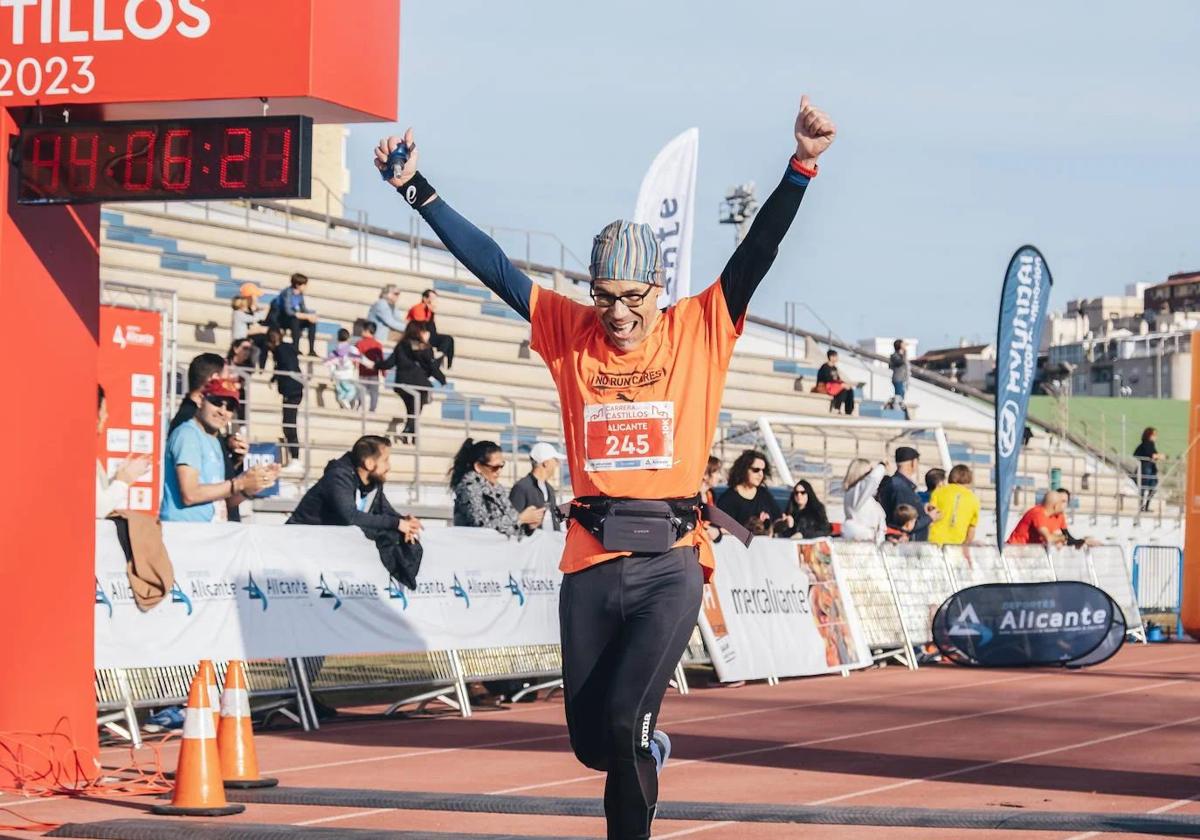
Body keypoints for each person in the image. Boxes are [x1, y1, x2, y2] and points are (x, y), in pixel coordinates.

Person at [376, 91, 835, 839]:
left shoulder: (701, 326)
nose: (617, 313)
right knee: (593, 744)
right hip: (589, 562)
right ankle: (642, 748)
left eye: (632, 298)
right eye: (604, 296)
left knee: (622, 727)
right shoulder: (569, 329)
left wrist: (801, 167)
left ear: (660, 289)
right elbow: (493, 263)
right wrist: (416, 192)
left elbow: (757, 252)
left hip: (670, 564)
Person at [160, 379, 276, 521]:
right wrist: (240, 483)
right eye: (216, 402)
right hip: (185, 530)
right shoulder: (188, 434)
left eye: (229, 407)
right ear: (201, 400)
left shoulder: (213, 439)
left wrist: (251, 487)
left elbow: (224, 501)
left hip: (207, 530)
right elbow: (190, 495)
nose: (223, 411)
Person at [287, 434, 422, 537]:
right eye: (385, 460)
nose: (389, 466)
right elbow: (350, 516)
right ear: (369, 463)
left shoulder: (373, 483)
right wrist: (396, 524)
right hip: (298, 541)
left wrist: (405, 521)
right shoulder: (338, 477)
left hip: (325, 546)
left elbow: (385, 511)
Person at [450, 439, 544, 536]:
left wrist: (528, 526)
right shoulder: (468, 488)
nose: (499, 471)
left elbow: (511, 529)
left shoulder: (498, 489)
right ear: (478, 466)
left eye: (501, 466)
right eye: (494, 467)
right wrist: (520, 519)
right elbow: (482, 527)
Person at [377, 320, 446, 444]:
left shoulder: (401, 345)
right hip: (418, 384)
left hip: (402, 384)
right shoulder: (423, 347)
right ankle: (408, 432)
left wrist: (376, 364)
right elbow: (431, 366)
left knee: (412, 411)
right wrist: (442, 379)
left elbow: (389, 363)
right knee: (415, 411)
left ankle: (411, 435)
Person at [96, 385, 152, 518]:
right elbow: (98, 509)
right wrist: (123, 480)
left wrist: (118, 478)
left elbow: (99, 498)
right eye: (103, 410)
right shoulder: (81, 456)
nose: (106, 416)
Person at [879, 446, 940, 542]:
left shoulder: (896, 484)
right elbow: (904, 521)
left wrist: (922, 508)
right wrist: (929, 518)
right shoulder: (901, 487)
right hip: (908, 545)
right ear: (913, 463)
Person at [716, 450, 783, 532]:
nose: (760, 474)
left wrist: (785, 523)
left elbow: (778, 520)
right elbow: (722, 530)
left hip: (765, 543)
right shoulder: (728, 499)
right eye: (756, 470)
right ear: (744, 469)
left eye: (763, 470)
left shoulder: (764, 494)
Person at [267, 327, 305, 463]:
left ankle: (296, 459)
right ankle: (293, 457)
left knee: (289, 424)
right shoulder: (287, 348)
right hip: (293, 389)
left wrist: (280, 378)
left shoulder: (281, 350)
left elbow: (287, 367)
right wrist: (274, 378)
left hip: (292, 390)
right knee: (287, 424)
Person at [510, 442, 566, 535]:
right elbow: (511, 524)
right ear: (545, 463)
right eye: (555, 460)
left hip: (551, 545)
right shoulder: (521, 487)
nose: (557, 464)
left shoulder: (550, 489)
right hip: (530, 547)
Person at [927, 464, 981, 546]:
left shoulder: (938, 492)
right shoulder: (974, 499)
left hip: (934, 541)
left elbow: (930, 516)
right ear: (969, 480)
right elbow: (971, 529)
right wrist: (965, 545)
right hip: (957, 544)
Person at [271, 272, 319, 356]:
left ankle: (311, 350)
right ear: (297, 285)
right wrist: (306, 316)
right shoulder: (287, 293)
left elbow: (303, 309)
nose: (306, 287)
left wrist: (311, 315)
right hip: (282, 318)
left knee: (311, 322)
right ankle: (295, 348)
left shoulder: (299, 295)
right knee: (295, 320)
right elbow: (288, 312)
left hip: (292, 317)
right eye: (304, 285)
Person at [841, 458, 887, 543]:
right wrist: (882, 465)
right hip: (863, 544)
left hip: (873, 543)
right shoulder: (855, 493)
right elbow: (873, 479)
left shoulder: (863, 497)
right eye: (870, 471)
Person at [407, 288, 456, 369]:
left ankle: (445, 362)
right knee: (445, 340)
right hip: (419, 335)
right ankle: (436, 361)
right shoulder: (417, 308)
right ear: (425, 298)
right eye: (432, 298)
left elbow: (432, 328)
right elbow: (421, 325)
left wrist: (432, 312)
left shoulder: (429, 310)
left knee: (449, 339)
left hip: (430, 335)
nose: (434, 301)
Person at [325, 328, 366, 410]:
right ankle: (345, 400)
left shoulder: (334, 351)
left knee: (341, 391)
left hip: (338, 375)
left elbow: (331, 365)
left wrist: (332, 374)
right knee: (352, 391)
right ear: (348, 338)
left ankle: (344, 404)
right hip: (348, 375)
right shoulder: (352, 349)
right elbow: (358, 360)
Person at [355, 321, 387, 413]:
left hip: (362, 373)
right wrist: (383, 373)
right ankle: (372, 409)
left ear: (366, 331)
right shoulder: (378, 345)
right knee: (374, 393)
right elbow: (381, 360)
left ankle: (360, 407)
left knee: (361, 392)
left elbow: (355, 358)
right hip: (374, 374)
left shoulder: (360, 343)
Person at [816, 349, 854, 415]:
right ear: (831, 357)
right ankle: (836, 408)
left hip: (833, 386)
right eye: (836, 356)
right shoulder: (824, 367)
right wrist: (840, 385)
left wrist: (844, 383)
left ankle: (848, 411)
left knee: (850, 390)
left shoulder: (834, 368)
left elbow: (837, 379)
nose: (837, 358)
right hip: (824, 386)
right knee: (843, 390)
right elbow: (828, 379)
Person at [1134, 427, 1162, 512]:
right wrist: (1159, 456)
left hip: (1150, 468)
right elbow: (1151, 454)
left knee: (1151, 488)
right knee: (1146, 487)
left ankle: (1144, 506)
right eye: (1154, 435)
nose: (1155, 437)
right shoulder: (1147, 443)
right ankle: (1143, 507)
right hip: (1147, 468)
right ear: (1149, 435)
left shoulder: (1148, 444)